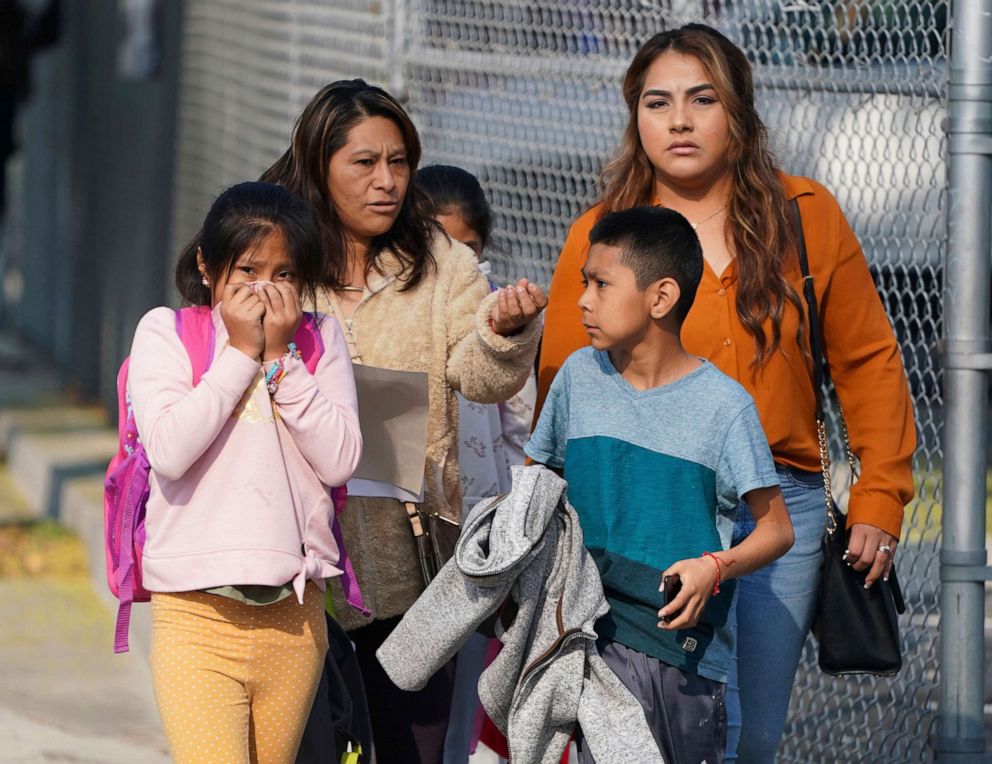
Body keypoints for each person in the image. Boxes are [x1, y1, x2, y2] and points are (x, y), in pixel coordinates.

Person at [535, 24, 917, 763]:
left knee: (751, 737)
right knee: (649, 730)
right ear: (634, 118)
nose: (679, 120)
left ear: (737, 110)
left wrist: (881, 495)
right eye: (657, 102)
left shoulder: (806, 214)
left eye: (702, 99)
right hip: (646, 512)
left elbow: (869, 359)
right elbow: (563, 383)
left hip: (781, 509)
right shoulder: (601, 237)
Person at [259, 80, 545, 764]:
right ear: (318, 162)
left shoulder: (443, 262)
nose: (387, 181)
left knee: (410, 748)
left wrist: (506, 332)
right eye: (365, 163)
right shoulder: (275, 252)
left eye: (400, 162)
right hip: (291, 565)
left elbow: (480, 376)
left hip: (413, 566)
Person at [526, 205, 794, 764]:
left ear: (661, 297)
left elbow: (776, 530)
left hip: (676, 655)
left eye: (601, 284)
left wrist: (713, 567)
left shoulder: (724, 407)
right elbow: (538, 480)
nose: (583, 300)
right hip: (579, 637)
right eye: (584, 283)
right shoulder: (578, 376)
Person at [128, 181, 363, 763]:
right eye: (248, 268)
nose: (265, 288)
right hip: (195, 612)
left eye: (285, 274)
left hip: (295, 610)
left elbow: (341, 458)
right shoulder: (167, 333)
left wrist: (282, 359)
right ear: (208, 266)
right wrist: (237, 354)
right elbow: (169, 448)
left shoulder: (318, 340)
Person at [416, 164, 537, 764]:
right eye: (436, 243)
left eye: (465, 247)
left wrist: (516, 527)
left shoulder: (498, 314)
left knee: (468, 686)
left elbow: (518, 428)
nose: (452, 260)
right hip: (409, 521)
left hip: (481, 528)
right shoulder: (403, 305)